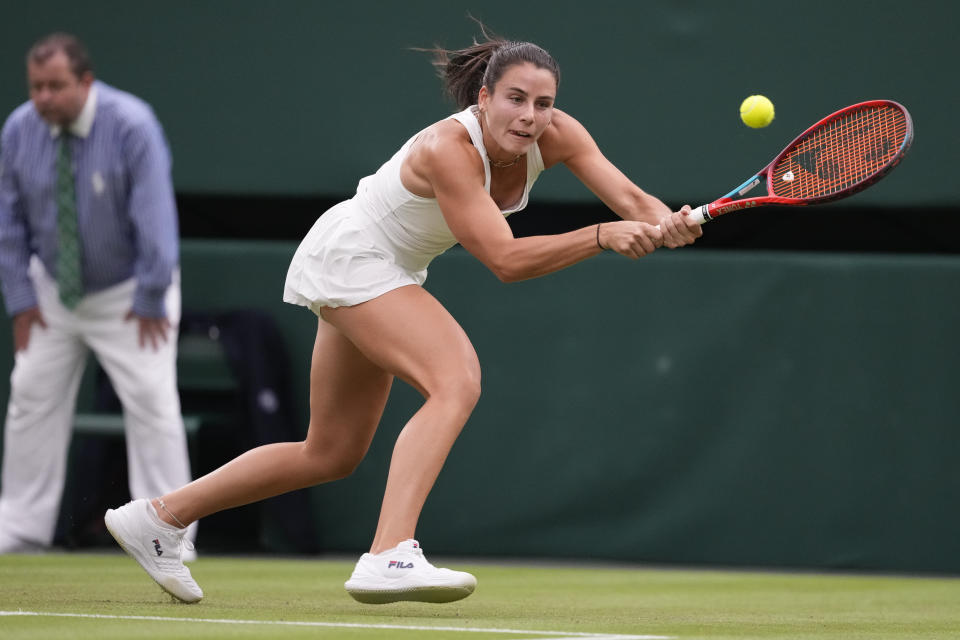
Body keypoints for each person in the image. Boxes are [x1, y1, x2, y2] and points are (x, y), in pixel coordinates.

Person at [104, 28, 703, 605]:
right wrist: (601, 235)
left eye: (543, 103)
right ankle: (389, 554)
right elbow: (505, 259)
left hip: (382, 266)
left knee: (331, 451)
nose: (530, 115)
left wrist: (667, 224)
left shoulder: (559, 134)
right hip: (356, 255)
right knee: (455, 381)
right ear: (485, 98)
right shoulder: (449, 150)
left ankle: (157, 519)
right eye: (515, 99)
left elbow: (634, 203)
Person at [0, 33, 196, 557]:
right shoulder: (19, 130)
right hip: (51, 294)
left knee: (153, 404)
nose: (44, 98)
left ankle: (169, 533)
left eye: (56, 86)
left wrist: (152, 295)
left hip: (131, 292)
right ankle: (18, 529)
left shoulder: (132, 124)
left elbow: (155, 219)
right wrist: (21, 298)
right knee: (29, 402)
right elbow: (9, 223)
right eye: (36, 87)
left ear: (85, 82)